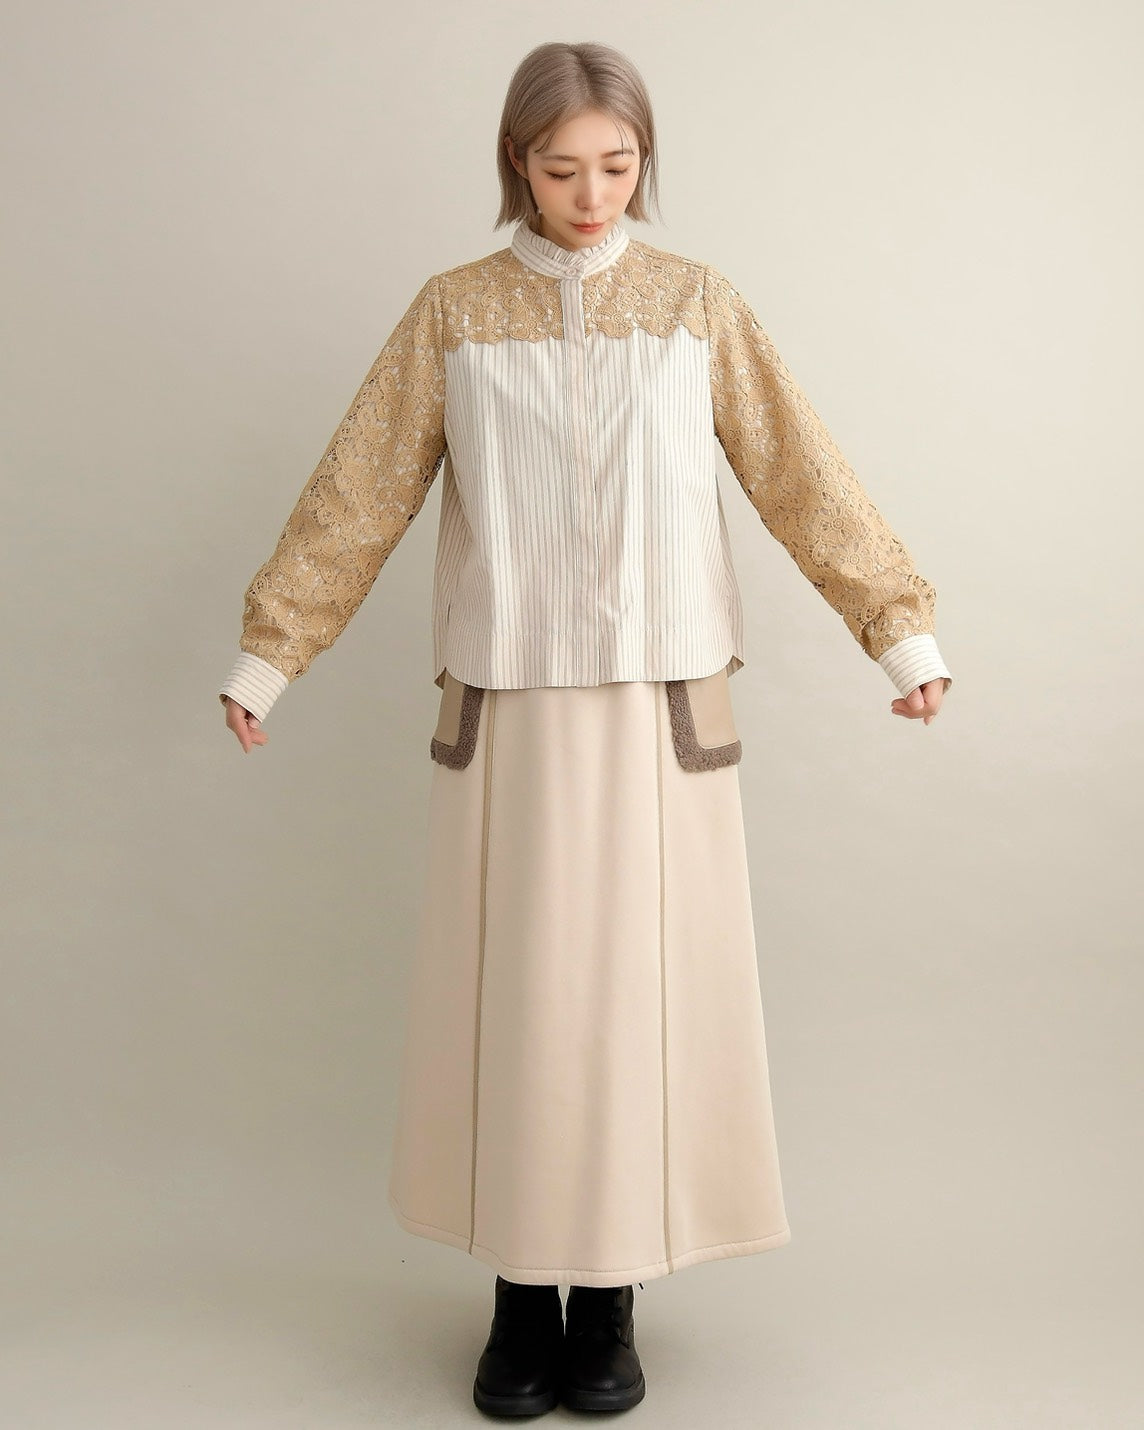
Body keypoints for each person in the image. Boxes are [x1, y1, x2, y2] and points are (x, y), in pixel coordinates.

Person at [219, 40, 953, 1420]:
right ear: (518, 164)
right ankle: (519, 1298)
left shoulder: (696, 306)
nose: (593, 192)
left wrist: (897, 632)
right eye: (563, 169)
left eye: (618, 165)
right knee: (520, 1007)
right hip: (508, 713)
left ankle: (610, 1298)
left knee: (637, 1008)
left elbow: (803, 474)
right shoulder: (455, 312)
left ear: (643, 161)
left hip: (660, 716)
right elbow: (358, 494)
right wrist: (272, 656)